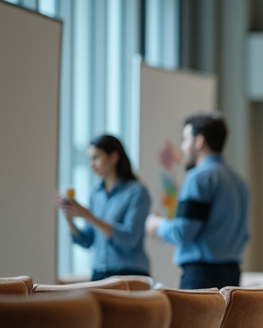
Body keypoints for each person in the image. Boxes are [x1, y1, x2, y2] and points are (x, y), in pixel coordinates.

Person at [146, 113, 250, 290]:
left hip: (202, 277)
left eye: (186, 139)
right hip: (232, 274)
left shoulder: (198, 178)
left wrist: (157, 224)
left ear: (199, 141)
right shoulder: (240, 182)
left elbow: (184, 231)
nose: (183, 147)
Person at [58, 134, 152, 280]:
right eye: (89, 158)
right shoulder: (95, 193)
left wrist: (88, 215)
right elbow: (88, 240)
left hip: (129, 274)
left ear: (113, 158)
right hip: (99, 273)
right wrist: (70, 219)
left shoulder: (137, 192)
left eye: (96, 157)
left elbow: (130, 238)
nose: (91, 164)